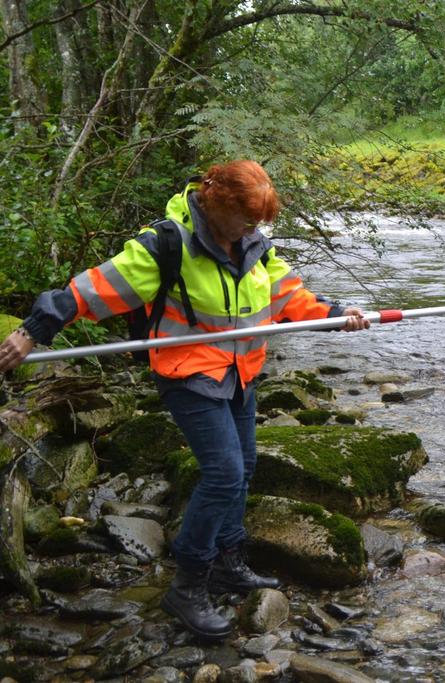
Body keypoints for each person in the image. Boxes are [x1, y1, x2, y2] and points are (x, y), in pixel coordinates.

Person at [0, 160, 369, 640]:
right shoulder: (166, 245)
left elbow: (286, 296)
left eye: (259, 222)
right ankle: (188, 585)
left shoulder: (254, 245)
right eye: (246, 219)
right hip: (188, 374)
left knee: (246, 466)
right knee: (223, 474)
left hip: (241, 373)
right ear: (216, 204)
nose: (252, 229)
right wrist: (32, 331)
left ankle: (228, 561)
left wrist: (337, 315)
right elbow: (95, 289)